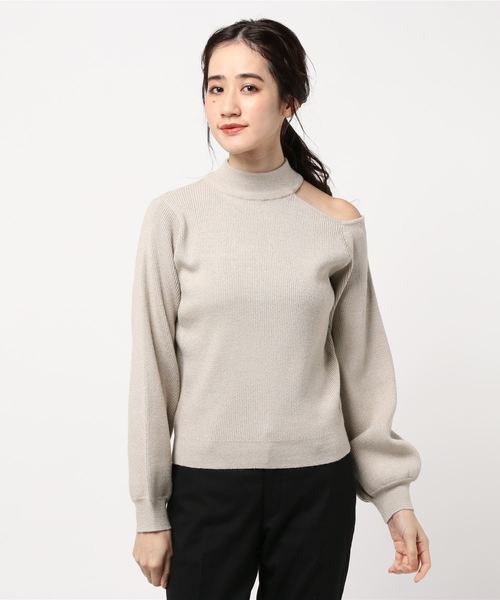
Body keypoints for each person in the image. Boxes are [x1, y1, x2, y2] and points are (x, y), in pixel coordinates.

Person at [128, 17, 431, 599]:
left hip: (318, 489)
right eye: (215, 87)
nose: (228, 105)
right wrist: (150, 512)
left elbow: (363, 372)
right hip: (206, 487)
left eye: (249, 86)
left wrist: (396, 499)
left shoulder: (336, 223)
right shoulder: (173, 218)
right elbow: (153, 372)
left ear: (289, 100)